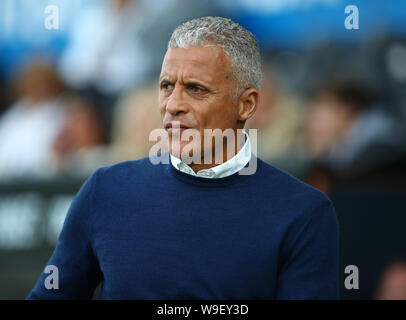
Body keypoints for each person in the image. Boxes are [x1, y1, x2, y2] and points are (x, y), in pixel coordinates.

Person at [27, 16, 339, 300]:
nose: (173, 104)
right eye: (166, 86)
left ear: (246, 105)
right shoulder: (104, 191)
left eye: (195, 89)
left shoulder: (302, 212)